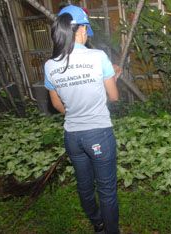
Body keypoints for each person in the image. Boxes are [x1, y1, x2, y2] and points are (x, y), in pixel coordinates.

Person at [44, 5, 121, 234]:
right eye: (86, 28)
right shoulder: (98, 57)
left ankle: (97, 224)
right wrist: (114, 75)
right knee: (107, 190)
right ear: (78, 30)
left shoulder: (50, 65)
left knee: (85, 186)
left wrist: (76, 107)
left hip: (73, 137)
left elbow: (58, 105)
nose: (87, 33)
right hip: (99, 133)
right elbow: (114, 97)